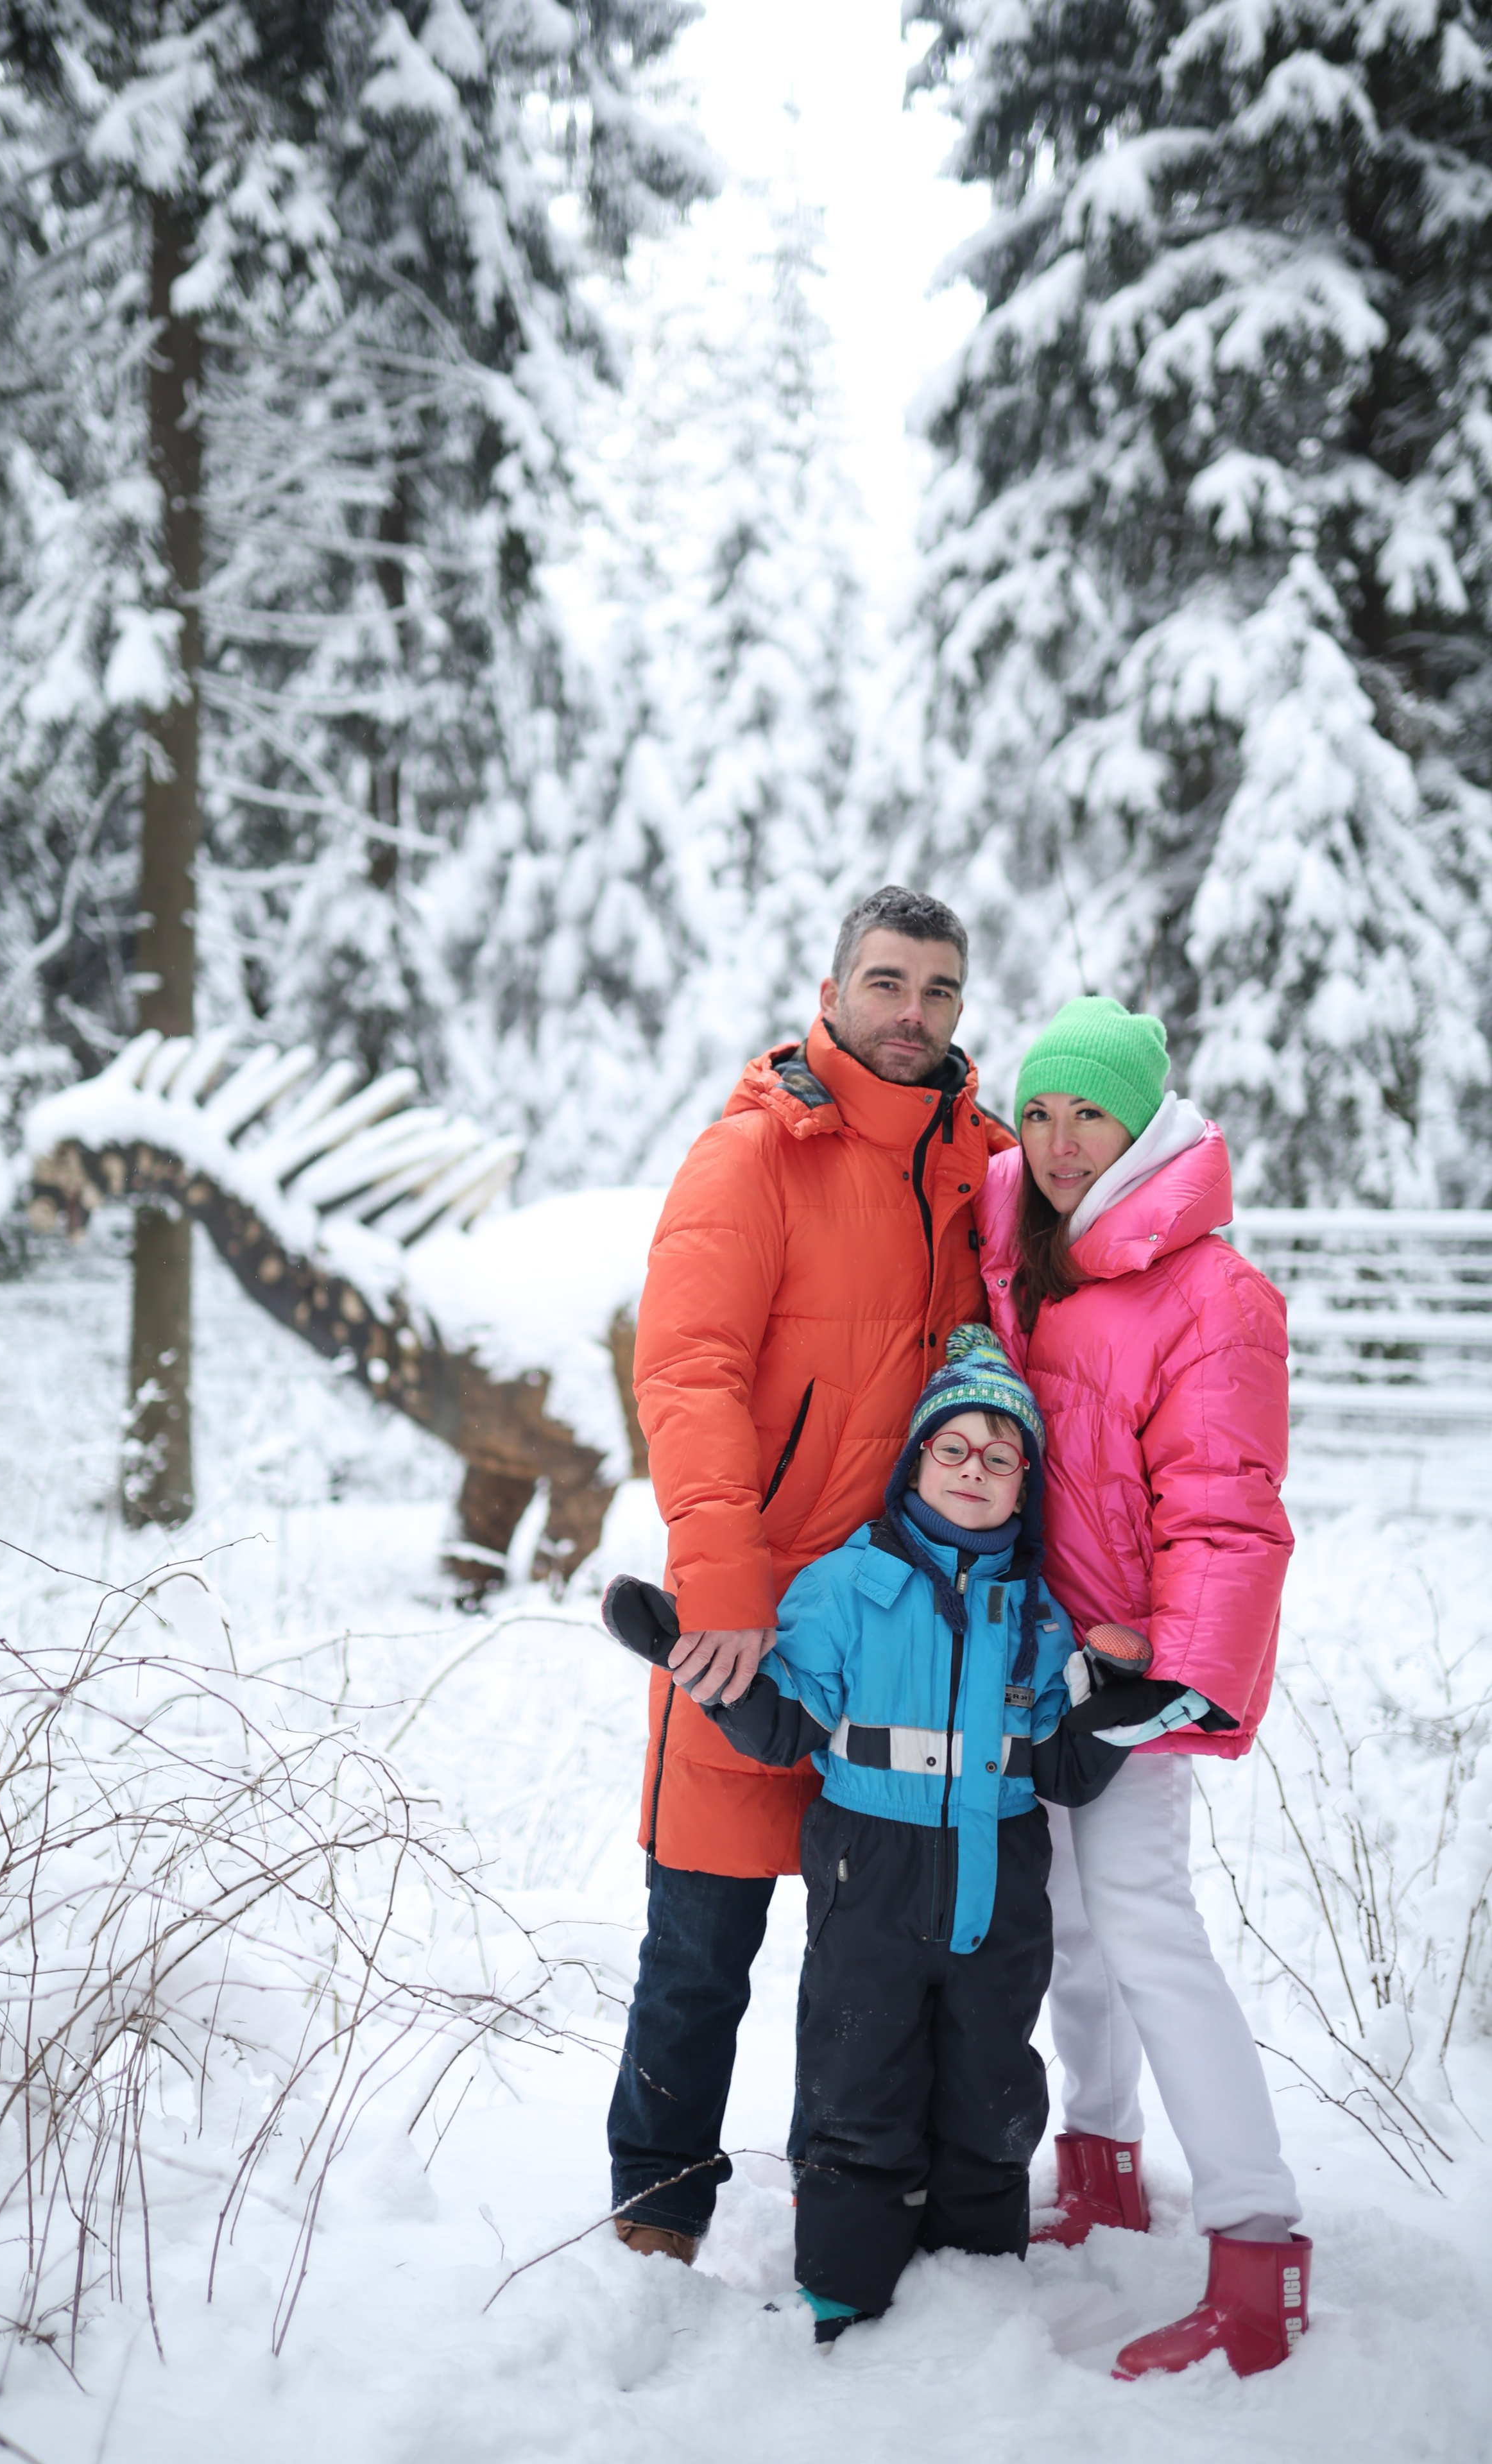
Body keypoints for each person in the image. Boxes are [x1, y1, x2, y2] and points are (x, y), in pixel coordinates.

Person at [609, 885, 1017, 2261]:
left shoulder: (983, 1168)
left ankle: (851, 2205)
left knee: (876, 1968)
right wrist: (720, 1582)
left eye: (939, 991)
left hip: (916, 1640)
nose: (913, 1014)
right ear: (833, 989)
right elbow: (686, 1373)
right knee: (701, 1939)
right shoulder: (750, 1158)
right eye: (889, 983)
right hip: (759, 1613)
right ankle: (657, 2215)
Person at [608, 1327, 1153, 2339]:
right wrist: (686, 1653)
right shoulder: (847, 1589)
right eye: (953, 1449)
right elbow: (783, 1720)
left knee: (992, 2094)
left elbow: (1067, 1768)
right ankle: (845, 2284)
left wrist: (1120, 1697)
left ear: (1025, 1482)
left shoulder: (1039, 1615)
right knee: (859, 2087)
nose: (973, 1471)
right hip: (871, 1892)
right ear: (914, 1461)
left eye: (1000, 1456)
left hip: (998, 1906)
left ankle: (973, 2288)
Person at [976, 994, 1310, 2380]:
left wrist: (1175, 1679)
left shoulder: (1210, 1293)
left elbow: (1225, 1509)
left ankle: (1254, 2251)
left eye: (1087, 1114)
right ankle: (1099, 2167)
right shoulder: (1017, 1257)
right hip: (1025, 1659)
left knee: (1145, 1924)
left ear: (1142, 1121)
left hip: (1124, 1673)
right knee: (1064, 1923)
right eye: (1038, 1113)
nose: (1059, 1142)